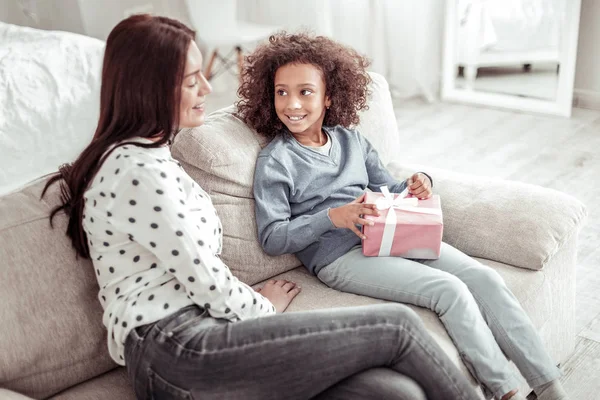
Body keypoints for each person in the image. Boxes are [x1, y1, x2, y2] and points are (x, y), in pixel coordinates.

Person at [42, 15, 480, 400]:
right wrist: (260, 306)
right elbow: (204, 277)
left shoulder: (155, 157)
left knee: (392, 393)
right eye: (191, 79)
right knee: (398, 327)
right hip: (176, 352)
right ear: (148, 85)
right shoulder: (134, 171)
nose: (208, 88)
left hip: (204, 337)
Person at [240, 32, 569, 400]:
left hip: (392, 234)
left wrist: (418, 184)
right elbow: (272, 237)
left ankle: (549, 387)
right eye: (281, 92)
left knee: (483, 277)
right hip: (340, 257)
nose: (291, 103)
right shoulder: (276, 161)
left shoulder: (351, 140)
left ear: (329, 96)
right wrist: (333, 217)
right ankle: (504, 391)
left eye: (305, 91)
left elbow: (389, 189)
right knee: (449, 290)